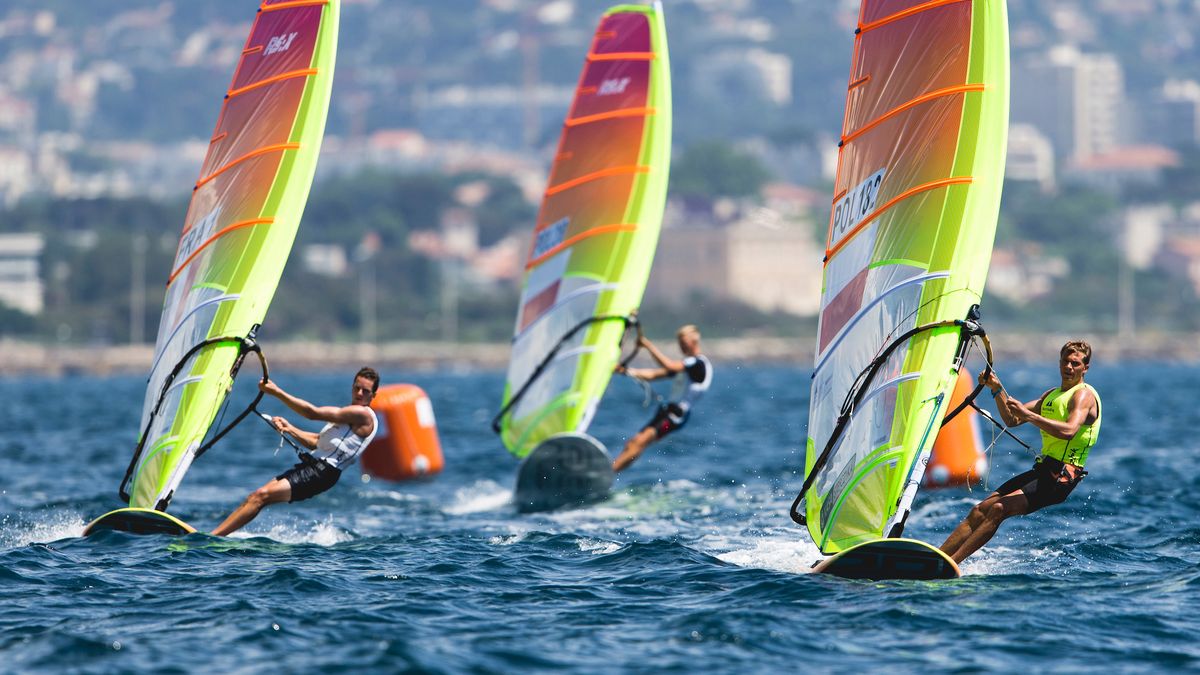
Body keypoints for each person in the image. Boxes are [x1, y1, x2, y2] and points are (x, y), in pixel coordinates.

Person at [939, 340, 1101, 564]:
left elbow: (1069, 431)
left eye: (1075, 363)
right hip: (1044, 470)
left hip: (1062, 477)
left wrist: (1031, 417)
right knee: (979, 509)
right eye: (1065, 361)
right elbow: (1012, 419)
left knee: (997, 509)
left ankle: (951, 564)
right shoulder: (1051, 396)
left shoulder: (1083, 396)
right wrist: (996, 389)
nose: (1069, 367)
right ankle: (938, 557)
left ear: (1085, 368)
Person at [211, 367, 380, 536]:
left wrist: (277, 392)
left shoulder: (362, 414)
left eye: (365, 391)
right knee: (255, 497)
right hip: (315, 467)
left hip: (323, 473)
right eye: (356, 388)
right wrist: (290, 428)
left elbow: (312, 413)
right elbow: (316, 442)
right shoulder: (347, 416)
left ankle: (213, 538)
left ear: (373, 395)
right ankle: (215, 534)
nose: (359, 393)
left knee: (260, 496)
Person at [611, 325, 712, 473]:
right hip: (666, 414)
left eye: (684, 343)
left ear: (694, 342)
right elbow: (652, 375)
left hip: (674, 418)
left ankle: (610, 472)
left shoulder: (698, 363)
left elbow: (669, 365)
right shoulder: (685, 367)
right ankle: (610, 473)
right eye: (680, 343)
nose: (682, 346)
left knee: (640, 441)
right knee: (634, 443)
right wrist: (623, 371)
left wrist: (648, 345)